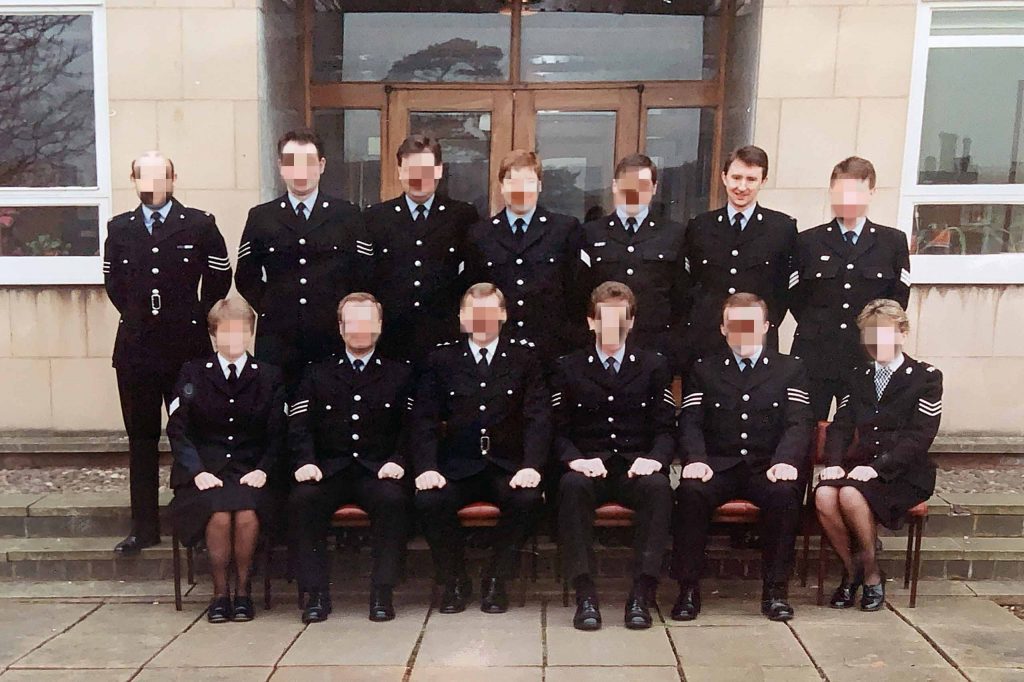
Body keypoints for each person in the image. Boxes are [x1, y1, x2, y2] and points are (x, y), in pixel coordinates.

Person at [103, 151, 232, 555]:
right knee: (141, 439)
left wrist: (193, 315)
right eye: (145, 177)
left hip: (185, 350)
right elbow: (114, 284)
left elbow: (219, 277)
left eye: (161, 177)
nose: (154, 184)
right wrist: (141, 316)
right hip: (137, 351)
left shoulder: (198, 225)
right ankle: (143, 527)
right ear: (134, 179)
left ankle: (191, 524)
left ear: (173, 179)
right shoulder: (119, 228)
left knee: (190, 437)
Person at [410, 283, 551, 614]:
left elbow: (538, 417)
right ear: (462, 318)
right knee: (429, 499)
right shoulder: (442, 359)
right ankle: (455, 579)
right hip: (459, 464)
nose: (481, 320)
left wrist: (532, 465)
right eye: (474, 314)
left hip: (507, 465)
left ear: (502, 315)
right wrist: (427, 467)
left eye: (488, 313)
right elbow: (424, 419)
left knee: (527, 498)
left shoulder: (524, 359)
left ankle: (496, 580)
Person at [671, 292, 813, 622]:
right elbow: (690, 420)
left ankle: (776, 590)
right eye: (735, 325)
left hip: (767, 467)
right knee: (691, 492)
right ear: (723, 329)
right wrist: (695, 459)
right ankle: (687, 589)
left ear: (765, 326)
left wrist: (786, 461)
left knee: (784, 495)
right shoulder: (704, 369)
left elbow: (798, 421)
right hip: (718, 466)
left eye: (750, 324)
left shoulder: (790, 369)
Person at [553, 281, 675, 631]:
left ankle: (642, 593)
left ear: (632, 322)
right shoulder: (568, 367)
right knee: (571, 487)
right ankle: (585, 594)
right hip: (588, 465)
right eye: (605, 319)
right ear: (591, 321)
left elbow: (667, 429)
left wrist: (655, 459)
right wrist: (574, 459)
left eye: (620, 319)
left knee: (659, 489)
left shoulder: (653, 365)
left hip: (636, 466)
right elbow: (557, 431)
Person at [287, 292, 415, 624]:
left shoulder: (400, 374)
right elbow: (299, 426)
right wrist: (305, 461)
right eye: (353, 323)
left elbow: (412, 428)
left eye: (367, 322)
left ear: (380, 326)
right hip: (329, 471)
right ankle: (315, 593)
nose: (360, 330)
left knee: (393, 500)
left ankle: (382, 592)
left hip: (377, 470)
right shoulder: (317, 373)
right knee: (303, 500)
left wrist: (399, 460)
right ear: (341, 328)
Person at [815, 299, 942, 611]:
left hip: (904, 472)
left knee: (850, 497)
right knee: (824, 496)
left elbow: (920, 437)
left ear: (902, 332)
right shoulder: (857, 374)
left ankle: (871, 576)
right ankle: (852, 571)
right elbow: (841, 427)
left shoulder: (926, 377)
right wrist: (833, 463)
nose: (876, 342)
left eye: (884, 334)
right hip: (859, 469)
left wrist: (878, 468)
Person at [166, 298, 286, 623]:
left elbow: (278, 432)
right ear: (213, 335)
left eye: (241, 331)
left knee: (247, 512)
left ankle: (244, 592)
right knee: (218, 512)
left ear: (250, 333)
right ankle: (220, 594)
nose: (233, 339)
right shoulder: (192, 373)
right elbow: (178, 430)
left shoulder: (269, 376)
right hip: (206, 471)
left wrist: (264, 469)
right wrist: (197, 471)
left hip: (251, 469)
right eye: (225, 332)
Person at [235, 128, 369, 393]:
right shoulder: (261, 216)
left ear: (321, 165)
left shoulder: (348, 214)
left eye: (308, 162)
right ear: (280, 167)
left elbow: (364, 273)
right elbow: (245, 276)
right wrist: (273, 306)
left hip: (331, 334)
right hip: (278, 338)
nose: (300, 171)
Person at [791, 156, 911, 420]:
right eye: (841, 191)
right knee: (805, 433)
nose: (848, 199)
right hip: (816, 355)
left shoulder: (892, 242)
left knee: (860, 435)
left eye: (856, 191)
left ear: (871, 192)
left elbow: (897, 300)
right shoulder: (807, 241)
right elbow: (796, 298)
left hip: (865, 356)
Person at [362, 134, 479, 366]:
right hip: (391, 342)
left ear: (438, 170)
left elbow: (473, 276)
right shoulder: (375, 218)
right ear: (399, 171)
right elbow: (366, 278)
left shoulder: (462, 216)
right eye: (411, 169)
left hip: (444, 339)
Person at [462, 150, 586, 362]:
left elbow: (576, 293)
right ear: (502, 186)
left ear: (539, 186)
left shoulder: (564, 229)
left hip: (550, 352)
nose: (520, 189)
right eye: (512, 181)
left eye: (528, 181)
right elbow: (471, 291)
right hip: (498, 354)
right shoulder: (480, 234)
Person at [683, 145, 797, 365]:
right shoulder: (700, 226)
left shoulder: (782, 228)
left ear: (763, 181)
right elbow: (689, 285)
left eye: (751, 179)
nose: (742, 187)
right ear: (724, 177)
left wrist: (763, 324)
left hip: (757, 344)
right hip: (707, 342)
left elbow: (784, 290)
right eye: (736, 177)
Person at [578, 155, 690, 371]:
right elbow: (580, 293)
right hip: (602, 351)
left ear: (654, 188)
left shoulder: (674, 234)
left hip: (654, 350)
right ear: (614, 186)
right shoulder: (590, 233)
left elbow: (682, 297)